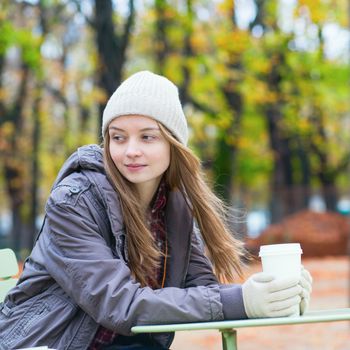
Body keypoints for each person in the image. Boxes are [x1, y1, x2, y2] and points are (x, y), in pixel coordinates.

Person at [0, 71, 312, 350]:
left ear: (173, 145)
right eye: (118, 137)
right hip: (45, 344)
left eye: (147, 137)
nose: (131, 150)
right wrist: (241, 302)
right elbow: (119, 303)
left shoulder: (174, 205)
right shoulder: (73, 202)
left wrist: (275, 293)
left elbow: (203, 291)